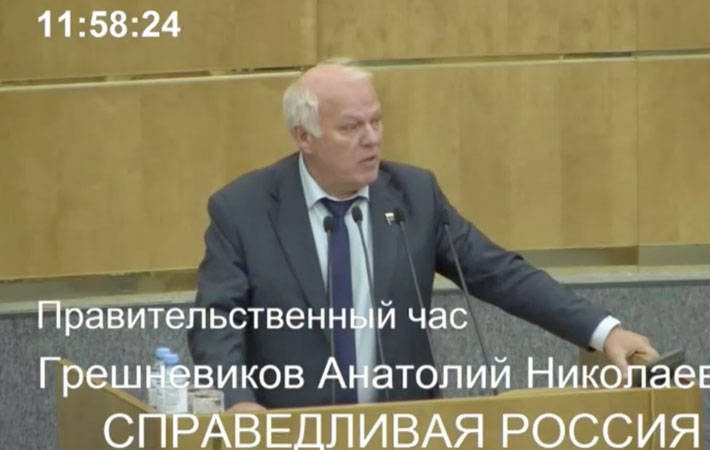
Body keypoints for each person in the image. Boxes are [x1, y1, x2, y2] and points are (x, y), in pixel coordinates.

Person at [188, 60, 658, 412]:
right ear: (303, 137)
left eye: (376, 121)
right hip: (290, 433)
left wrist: (604, 332)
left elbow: (501, 274)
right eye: (351, 127)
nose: (372, 138)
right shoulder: (243, 210)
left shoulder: (414, 196)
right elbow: (215, 320)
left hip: (407, 428)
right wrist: (237, 401)